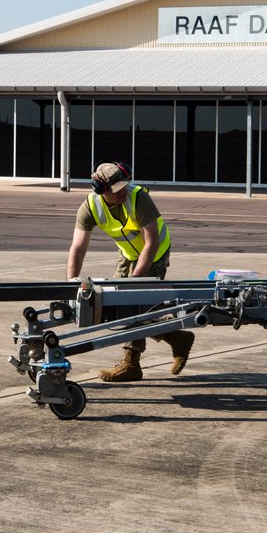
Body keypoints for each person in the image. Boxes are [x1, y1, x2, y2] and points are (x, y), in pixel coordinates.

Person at [66, 161, 194, 383]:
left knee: (133, 303)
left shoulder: (139, 198)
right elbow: (77, 248)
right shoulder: (90, 206)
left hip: (154, 252)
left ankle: (131, 364)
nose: (123, 192)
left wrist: (134, 282)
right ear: (100, 189)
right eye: (116, 190)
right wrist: (70, 283)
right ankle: (174, 337)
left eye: (124, 186)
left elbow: (151, 241)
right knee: (116, 307)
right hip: (128, 254)